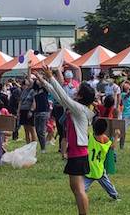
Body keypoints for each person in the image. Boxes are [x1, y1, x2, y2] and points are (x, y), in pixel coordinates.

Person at [38, 64, 95, 215]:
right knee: (76, 188)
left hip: (78, 153)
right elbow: (59, 97)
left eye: (78, 90)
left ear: (81, 96)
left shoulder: (78, 109)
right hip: (76, 153)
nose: (75, 89)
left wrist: (51, 77)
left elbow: (63, 96)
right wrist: (44, 82)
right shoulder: (77, 107)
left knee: (78, 189)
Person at [84, 118, 120, 201]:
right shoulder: (105, 139)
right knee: (107, 184)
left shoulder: (90, 136)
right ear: (104, 130)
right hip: (99, 169)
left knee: (82, 188)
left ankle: (81, 196)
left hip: (89, 168)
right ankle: (115, 195)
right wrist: (116, 136)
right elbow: (113, 147)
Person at [32, 76, 51, 152]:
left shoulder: (45, 89)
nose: (37, 80)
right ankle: (42, 146)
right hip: (37, 112)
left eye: (38, 79)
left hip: (44, 112)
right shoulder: (35, 90)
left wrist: (39, 77)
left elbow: (43, 82)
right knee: (37, 131)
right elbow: (30, 80)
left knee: (41, 131)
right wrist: (29, 69)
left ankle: (43, 148)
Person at [17, 75, 37, 144]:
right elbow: (20, 101)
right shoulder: (24, 90)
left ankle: (33, 144)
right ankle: (27, 144)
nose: (26, 81)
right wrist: (18, 111)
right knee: (26, 129)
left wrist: (31, 110)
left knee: (31, 128)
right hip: (23, 110)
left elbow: (34, 101)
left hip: (29, 110)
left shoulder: (33, 90)